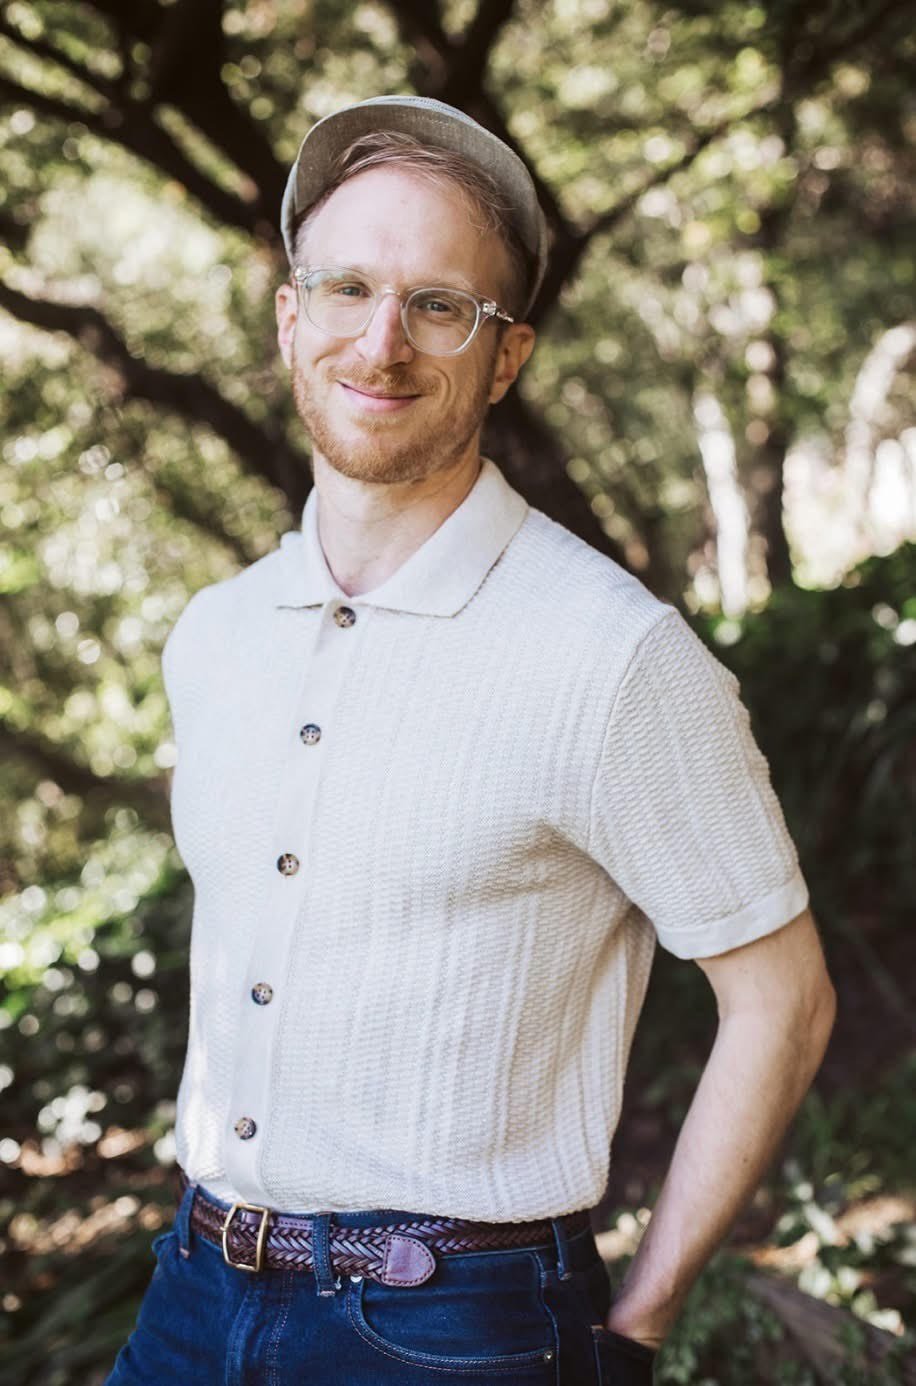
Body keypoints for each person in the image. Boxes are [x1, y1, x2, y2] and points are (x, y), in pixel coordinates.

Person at [105, 95, 836, 1385]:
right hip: (193, 1291)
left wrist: (643, 1321)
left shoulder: (613, 659)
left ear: (506, 358)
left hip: (457, 1328)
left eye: (441, 306)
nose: (381, 341)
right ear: (291, 319)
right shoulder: (214, 639)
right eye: (345, 289)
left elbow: (783, 1001)